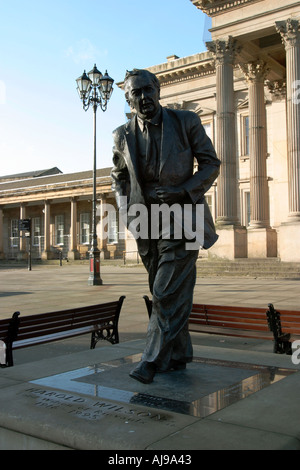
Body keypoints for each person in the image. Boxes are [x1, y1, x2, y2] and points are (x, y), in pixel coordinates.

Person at [111, 69, 221, 384]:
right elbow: (118, 176)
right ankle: (178, 354)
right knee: (171, 293)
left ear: (158, 90)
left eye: (148, 90)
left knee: (163, 291)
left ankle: (151, 359)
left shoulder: (186, 121)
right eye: (136, 93)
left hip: (184, 219)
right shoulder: (121, 135)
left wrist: (183, 190)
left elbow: (211, 163)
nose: (143, 98)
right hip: (145, 223)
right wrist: (125, 213)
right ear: (128, 99)